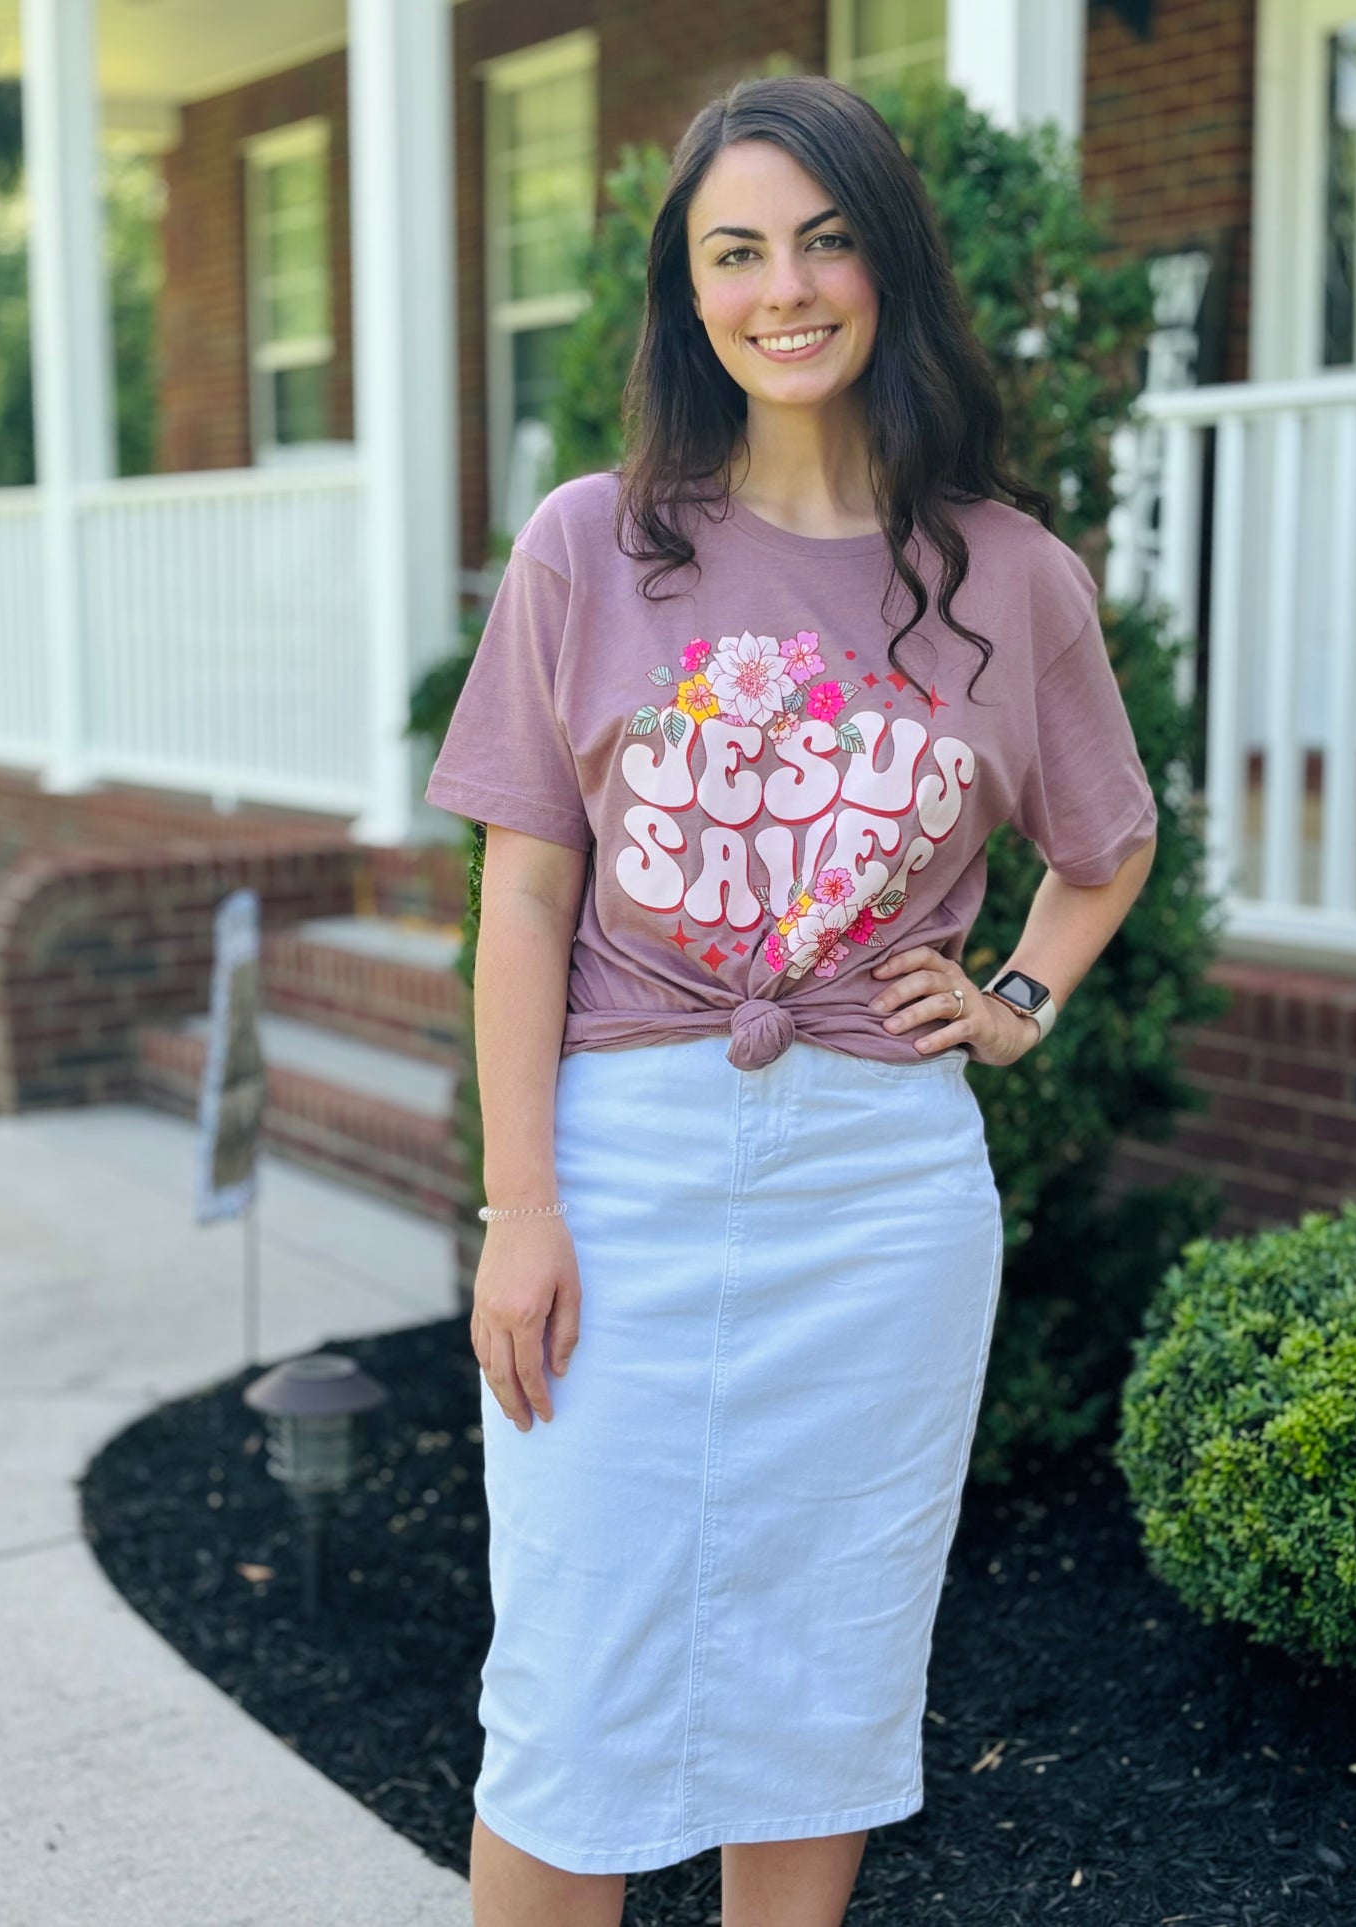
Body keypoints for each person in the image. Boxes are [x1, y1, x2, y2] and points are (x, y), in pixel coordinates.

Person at [425, 71, 1158, 1927]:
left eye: (824, 241)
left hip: (878, 1191)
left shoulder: (1012, 576)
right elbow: (521, 892)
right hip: (625, 1167)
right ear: (688, 290)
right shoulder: (591, 543)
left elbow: (1105, 845)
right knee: (571, 1690)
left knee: (822, 1677)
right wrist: (522, 1212)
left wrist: (1013, 1001)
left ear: (887, 266)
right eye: (734, 251)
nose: (784, 289)